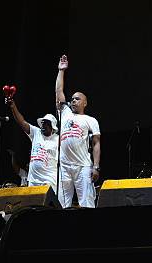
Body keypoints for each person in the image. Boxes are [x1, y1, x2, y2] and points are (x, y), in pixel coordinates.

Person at [55, 54, 101, 208]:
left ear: (85, 103)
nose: (73, 100)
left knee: (86, 204)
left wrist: (96, 167)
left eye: (77, 99)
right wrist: (61, 71)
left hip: (83, 166)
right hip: (64, 167)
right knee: (62, 204)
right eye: (72, 98)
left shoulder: (90, 120)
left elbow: (96, 143)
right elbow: (58, 91)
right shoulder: (65, 113)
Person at [6, 97, 59, 193]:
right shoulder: (36, 133)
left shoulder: (58, 139)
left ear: (52, 126)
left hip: (49, 180)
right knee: (33, 206)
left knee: (49, 207)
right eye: (42, 123)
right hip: (33, 181)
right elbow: (21, 122)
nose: (43, 125)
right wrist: (13, 107)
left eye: (46, 123)